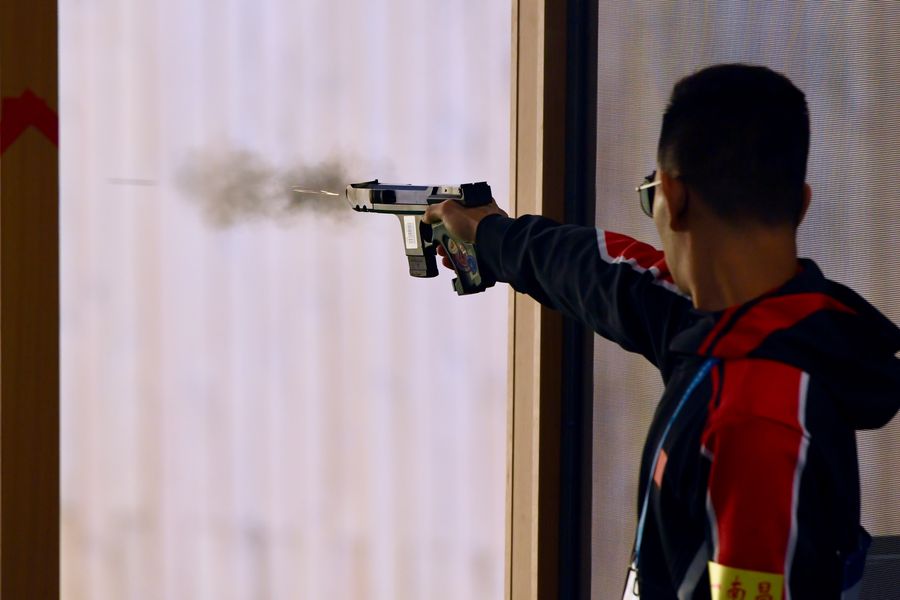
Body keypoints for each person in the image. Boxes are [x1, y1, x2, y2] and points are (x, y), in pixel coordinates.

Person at [424, 64, 900, 598]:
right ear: (802, 203)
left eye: (649, 192)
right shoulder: (752, 330)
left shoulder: (756, 415)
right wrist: (492, 236)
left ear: (671, 198)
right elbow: (604, 276)